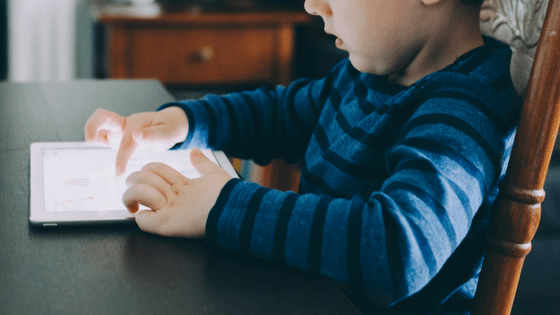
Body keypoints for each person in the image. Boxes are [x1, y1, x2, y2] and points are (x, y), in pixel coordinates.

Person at [84, 0, 523, 313]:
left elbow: (397, 250)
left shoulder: (466, 106)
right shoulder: (371, 73)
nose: (314, 5)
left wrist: (224, 204)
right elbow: (278, 115)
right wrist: (183, 122)